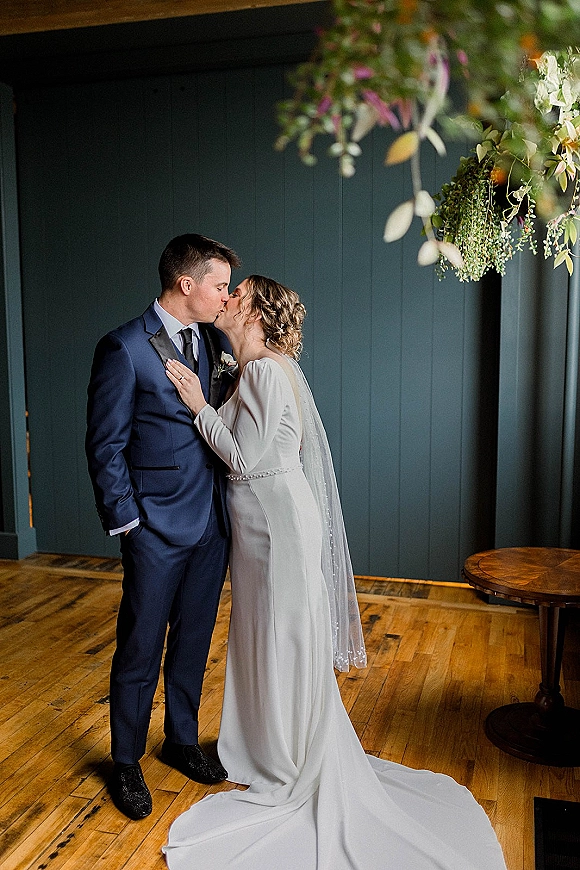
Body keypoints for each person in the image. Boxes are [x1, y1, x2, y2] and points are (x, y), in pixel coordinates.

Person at [162, 275, 507, 869]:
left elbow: (246, 459)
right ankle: (264, 747)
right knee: (263, 638)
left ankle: (290, 757)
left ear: (254, 312)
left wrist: (198, 405)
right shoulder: (253, 371)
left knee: (285, 638)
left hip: (276, 528)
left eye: (236, 293)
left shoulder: (268, 371)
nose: (226, 298)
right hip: (258, 529)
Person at [85, 233, 241, 821]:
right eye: (220, 286)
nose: (225, 296)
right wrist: (128, 522)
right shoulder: (123, 348)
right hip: (152, 526)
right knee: (140, 645)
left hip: (211, 523)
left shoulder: (214, 340)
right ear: (187, 284)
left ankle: (180, 739)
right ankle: (123, 760)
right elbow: (105, 446)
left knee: (196, 640)